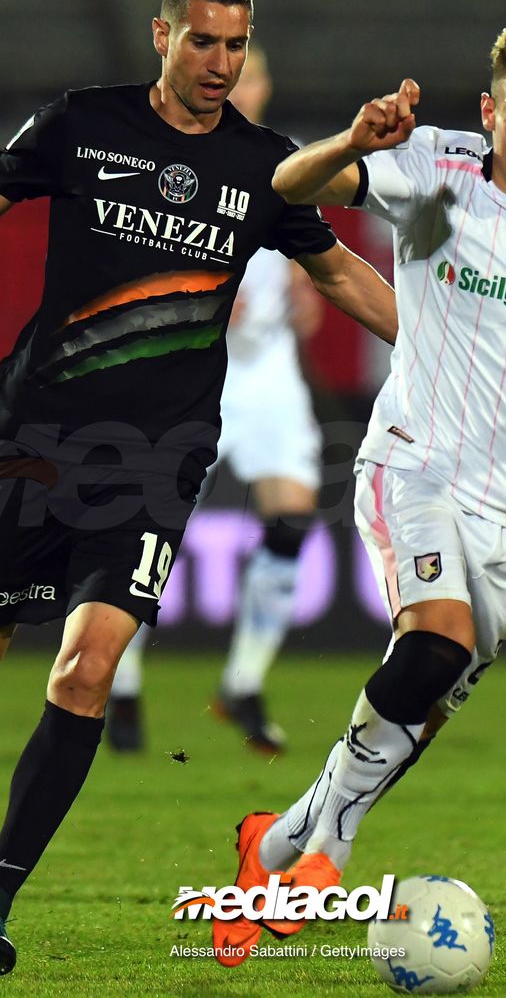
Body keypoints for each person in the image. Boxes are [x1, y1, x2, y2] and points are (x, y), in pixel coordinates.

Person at [0, 0, 397, 977]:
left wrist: (445, 348)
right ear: (162, 37)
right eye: (202, 41)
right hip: (35, 442)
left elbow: (340, 272)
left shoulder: (264, 166)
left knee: (86, 666)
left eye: (235, 46)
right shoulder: (82, 124)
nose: (219, 63)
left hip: (156, 460)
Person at [212, 23, 506, 967]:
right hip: (413, 463)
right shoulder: (433, 171)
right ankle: (327, 856)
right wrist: (352, 142)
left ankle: (281, 842)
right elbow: (285, 188)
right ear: (490, 111)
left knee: (420, 703)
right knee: (435, 642)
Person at [107, 44, 326, 755]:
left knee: (292, 519)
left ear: (263, 87)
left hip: (268, 376)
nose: (242, 84)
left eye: (256, 73)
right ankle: (123, 681)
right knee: (153, 531)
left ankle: (242, 683)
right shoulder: (173, 160)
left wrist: (303, 292)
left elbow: (314, 273)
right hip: (195, 368)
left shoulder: (290, 165)